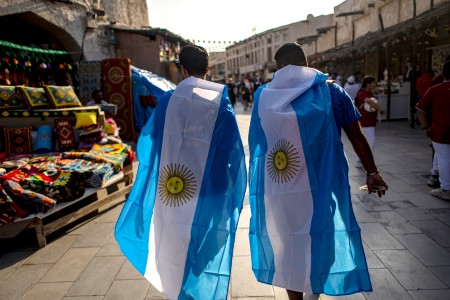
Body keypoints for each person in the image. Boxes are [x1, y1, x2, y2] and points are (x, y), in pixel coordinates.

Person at [248, 42, 388, 299]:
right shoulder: (332, 91)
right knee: (322, 235)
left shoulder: (262, 96)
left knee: (290, 243)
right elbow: (355, 135)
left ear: (278, 67)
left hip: (282, 186)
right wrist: (372, 171)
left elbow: (258, 145)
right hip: (322, 184)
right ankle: (315, 290)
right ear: (307, 63)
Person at [115, 45, 247, 299]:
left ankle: (181, 287)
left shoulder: (167, 102)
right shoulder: (221, 104)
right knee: (205, 242)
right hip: (213, 190)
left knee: (175, 242)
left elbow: (150, 147)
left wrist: (146, 191)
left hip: (175, 189)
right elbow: (233, 154)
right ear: (208, 70)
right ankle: (195, 279)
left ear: (182, 69)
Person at [416, 60, 450, 201]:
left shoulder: (436, 89)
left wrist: (425, 126)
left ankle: (446, 188)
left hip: (440, 131)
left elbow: (420, 109)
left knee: (443, 159)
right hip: (440, 132)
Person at [354, 75, 385, 167]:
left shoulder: (368, 93)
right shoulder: (362, 93)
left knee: (368, 140)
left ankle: (362, 160)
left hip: (369, 121)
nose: (375, 84)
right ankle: (363, 160)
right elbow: (368, 101)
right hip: (365, 121)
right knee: (370, 141)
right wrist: (380, 109)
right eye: (373, 83)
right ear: (368, 84)